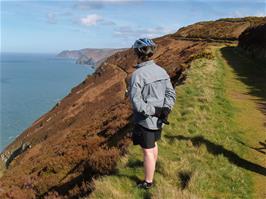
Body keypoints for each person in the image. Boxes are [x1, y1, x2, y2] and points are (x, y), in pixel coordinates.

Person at [129, 38, 176, 189]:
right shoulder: (161, 70)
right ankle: (151, 172)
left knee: (147, 151)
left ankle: (148, 182)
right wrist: (166, 110)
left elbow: (137, 103)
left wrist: (154, 111)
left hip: (145, 120)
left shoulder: (137, 75)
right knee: (153, 145)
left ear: (137, 52)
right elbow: (171, 93)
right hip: (160, 120)